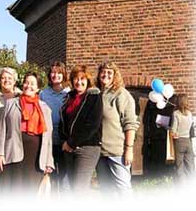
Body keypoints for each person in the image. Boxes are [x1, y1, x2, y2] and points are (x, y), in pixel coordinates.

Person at [0, 72, 54, 194]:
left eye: (32, 84)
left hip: (35, 156)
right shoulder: (11, 103)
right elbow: (2, 129)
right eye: (26, 82)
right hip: (13, 152)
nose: (28, 86)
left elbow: (48, 138)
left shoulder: (45, 108)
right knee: (11, 190)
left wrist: (49, 161)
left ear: (38, 88)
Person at [96, 62, 139, 196]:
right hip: (99, 152)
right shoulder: (96, 93)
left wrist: (129, 149)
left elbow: (130, 124)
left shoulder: (121, 94)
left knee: (123, 190)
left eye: (109, 72)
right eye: (103, 72)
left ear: (115, 75)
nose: (106, 75)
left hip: (117, 152)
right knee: (105, 191)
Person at [59, 64, 102, 194]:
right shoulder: (69, 97)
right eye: (76, 79)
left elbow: (92, 125)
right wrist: (65, 141)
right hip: (69, 148)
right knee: (68, 188)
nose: (79, 82)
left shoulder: (94, 96)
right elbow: (64, 122)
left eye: (82, 79)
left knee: (79, 189)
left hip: (87, 147)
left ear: (87, 80)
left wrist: (71, 142)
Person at [40, 61, 70, 193]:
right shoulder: (43, 94)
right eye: (53, 72)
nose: (55, 75)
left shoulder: (69, 94)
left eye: (59, 72)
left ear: (63, 75)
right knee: (48, 173)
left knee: (64, 175)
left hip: (64, 140)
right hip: (48, 140)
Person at [171, 93, 195, 182]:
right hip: (188, 141)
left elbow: (174, 131)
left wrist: (167, 128)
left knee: (179, 166)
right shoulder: (190, 114)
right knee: (190, 165)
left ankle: (181, 187)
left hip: (179, 141)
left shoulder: (176, 114)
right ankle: (192, 185)